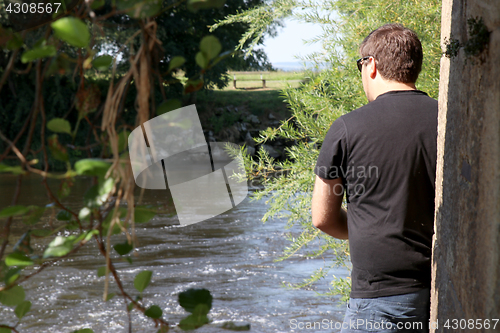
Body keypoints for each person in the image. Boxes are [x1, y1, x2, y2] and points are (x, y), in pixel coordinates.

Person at [311, 23, 437, 333]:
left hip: (379, 300)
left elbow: (322, 218)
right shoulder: (447, 117)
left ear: (371, 65)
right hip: (443, 287)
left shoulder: (347, 129)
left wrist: (368, 229)